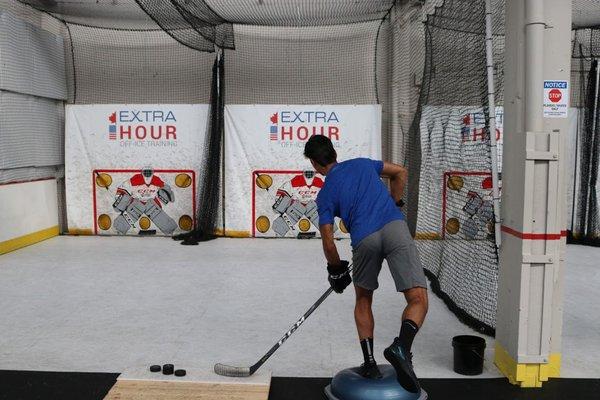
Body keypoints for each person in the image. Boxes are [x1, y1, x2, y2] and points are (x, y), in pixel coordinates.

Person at [303, 135, 428, 394]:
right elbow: (400, 172)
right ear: (334, 153)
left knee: (363, 299)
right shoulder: (362, 164)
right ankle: (401, 347)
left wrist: (335, 269)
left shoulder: (325, 194)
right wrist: (394, 202)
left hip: (365, 240)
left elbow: (328, 242)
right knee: (417, 298)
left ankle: (370, 363)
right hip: (395, 228)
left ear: (315, 164)